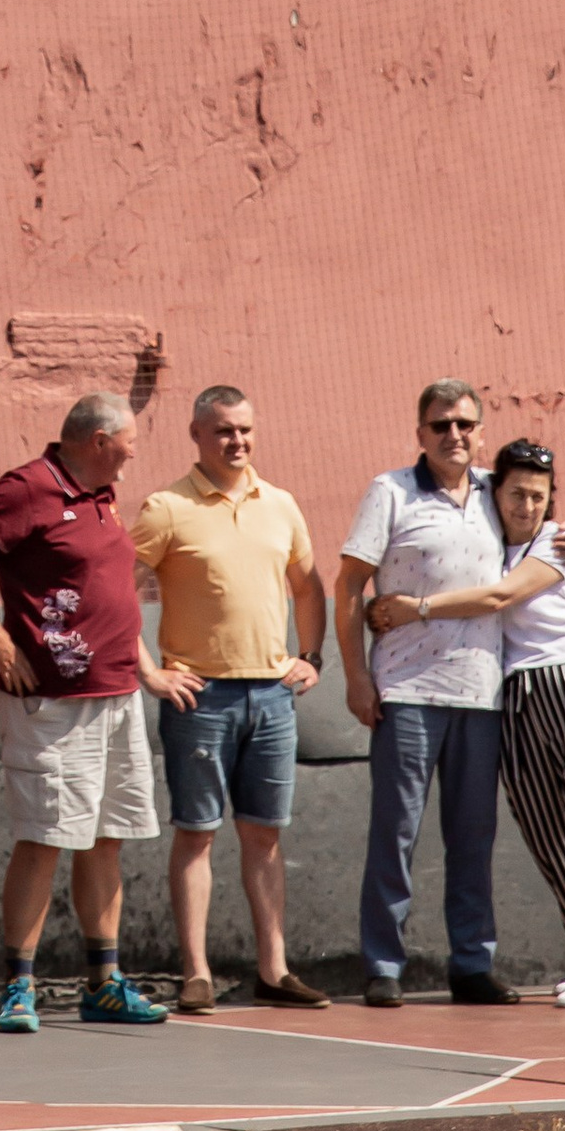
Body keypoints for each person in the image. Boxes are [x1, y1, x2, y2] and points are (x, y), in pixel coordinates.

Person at [0, 389, 189, 1033]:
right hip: (53, 703)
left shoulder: (104, 495)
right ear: (99, 441)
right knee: (44, 837)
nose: (134, 453)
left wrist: (148, 671)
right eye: (129, 442)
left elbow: (108, 593)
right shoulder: (28, 487)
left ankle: (104, 983)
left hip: (117, 696)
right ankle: (18, 986)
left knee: (106, 838)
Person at [336, 381, 565, 1010]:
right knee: (396, 833)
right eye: (441, 424)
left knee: (473, 839)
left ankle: (472, 964)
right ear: (420, 433)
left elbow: (540, 519)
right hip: (406, 689)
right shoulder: (390, 491)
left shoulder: (494, 491)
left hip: (482, 693)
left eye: (465, 424)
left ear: (480, 432)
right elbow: (347, 586)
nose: (454, 435)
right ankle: (383, 965)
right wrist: (356, 679)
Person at [369, 436, 565, 1007]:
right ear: (495, 492)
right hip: (515, 692)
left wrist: (416, 608)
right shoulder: (486, 529)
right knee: (541, 829)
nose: (527, 505)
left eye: (539, 496)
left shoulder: (555, 541)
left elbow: (500, 597)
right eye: (517, 494)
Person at [130, 383, 331, 1014]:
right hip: (200, 697)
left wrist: (312, 656)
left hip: (272, 695)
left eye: (244, 429)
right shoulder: (166, 508)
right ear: (196, 435)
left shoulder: (282, 504)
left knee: (264, 836)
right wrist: (149, 672)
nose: (236, 441)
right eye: (222, 430)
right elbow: (114, 590)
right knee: (197, 834)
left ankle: (275, 969)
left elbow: (309, 587)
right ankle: (196, 974)